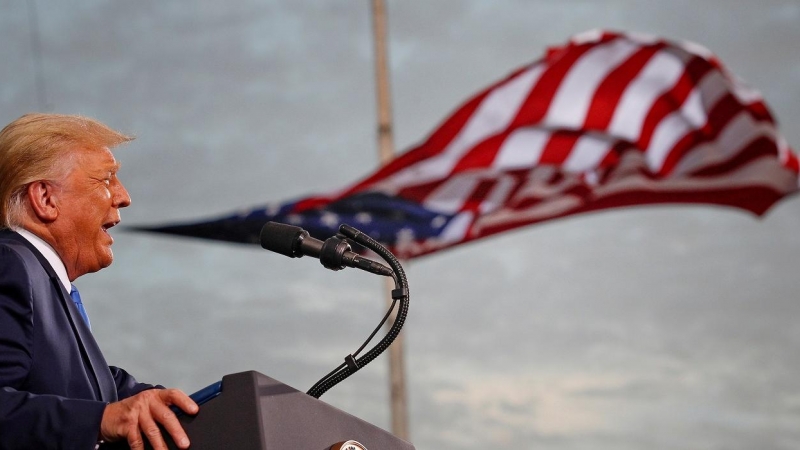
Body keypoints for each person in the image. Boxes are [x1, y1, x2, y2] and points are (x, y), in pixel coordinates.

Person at [0, 113, 198, 450]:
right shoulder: (11, 264)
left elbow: (116, 395)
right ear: (46, 199)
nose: (124, 197)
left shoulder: (48, 287)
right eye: (106, 179)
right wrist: (102, 421)